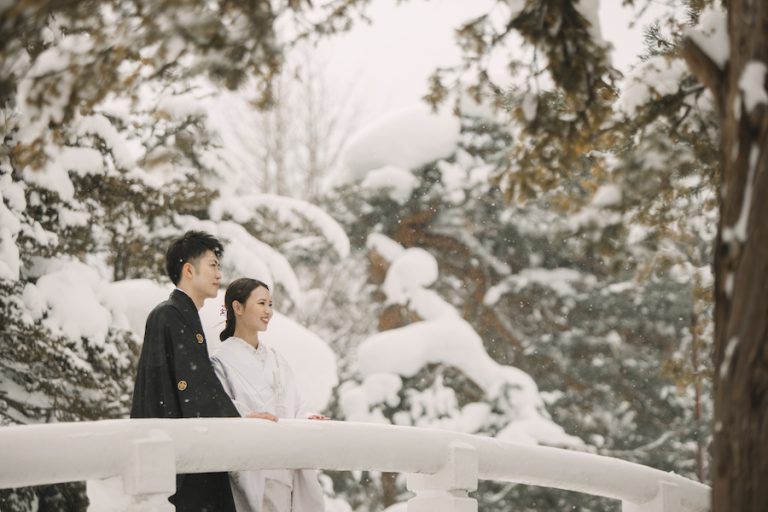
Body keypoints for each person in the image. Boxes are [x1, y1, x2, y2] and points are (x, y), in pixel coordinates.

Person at [131, 230, 241, 512]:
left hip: (184, 451)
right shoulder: (170, 314)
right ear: (189, 270)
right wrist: (242, 424)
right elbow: (193, 387)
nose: (219, 273)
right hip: (184, 454)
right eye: (213, 265)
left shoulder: (179, 314)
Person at [211, 277, 327, 512]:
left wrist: (308, 417)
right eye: (261, 303)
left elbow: (295, 403)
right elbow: (222, 407)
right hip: (250, 467)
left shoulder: (276, 359)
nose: (268, 311)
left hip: (284, 468)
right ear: (238, 307)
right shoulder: (219, 361)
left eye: (270, 304)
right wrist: (249, 417)